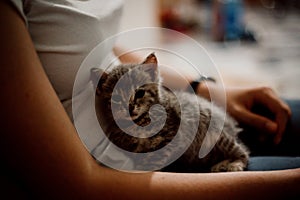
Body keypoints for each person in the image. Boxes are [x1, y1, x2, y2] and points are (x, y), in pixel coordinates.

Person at [0, 0, 299, 199]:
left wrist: (201, 87)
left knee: (285, 115)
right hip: (126, 170)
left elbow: (100, 43)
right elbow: (75, 184)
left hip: (163, 115)